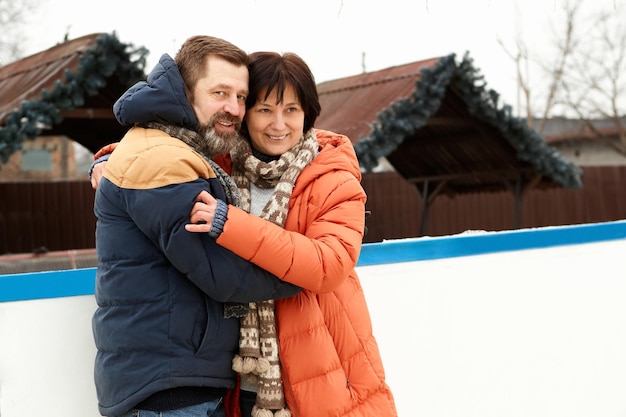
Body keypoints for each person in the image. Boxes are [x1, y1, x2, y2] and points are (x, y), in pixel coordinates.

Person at [92, 36, 300, 417]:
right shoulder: (163, 159)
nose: (233, 108)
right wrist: (310, 267)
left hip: (176, 379)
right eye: (220, 92)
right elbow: (220, 271)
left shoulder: (171, 146)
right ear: (184, 91)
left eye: (241, 96)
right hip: (166, 388)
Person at [185, 51, 398, 417]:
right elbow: (163, 148)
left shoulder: (333, 178)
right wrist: (110, 158)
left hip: (326, 374)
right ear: (244, 113)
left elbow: (326, 265)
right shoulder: (220, 165)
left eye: (292, 110)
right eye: (265, 109)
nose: (278, 124)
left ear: (308, 114)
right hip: (242, 380)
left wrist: (231, 225)